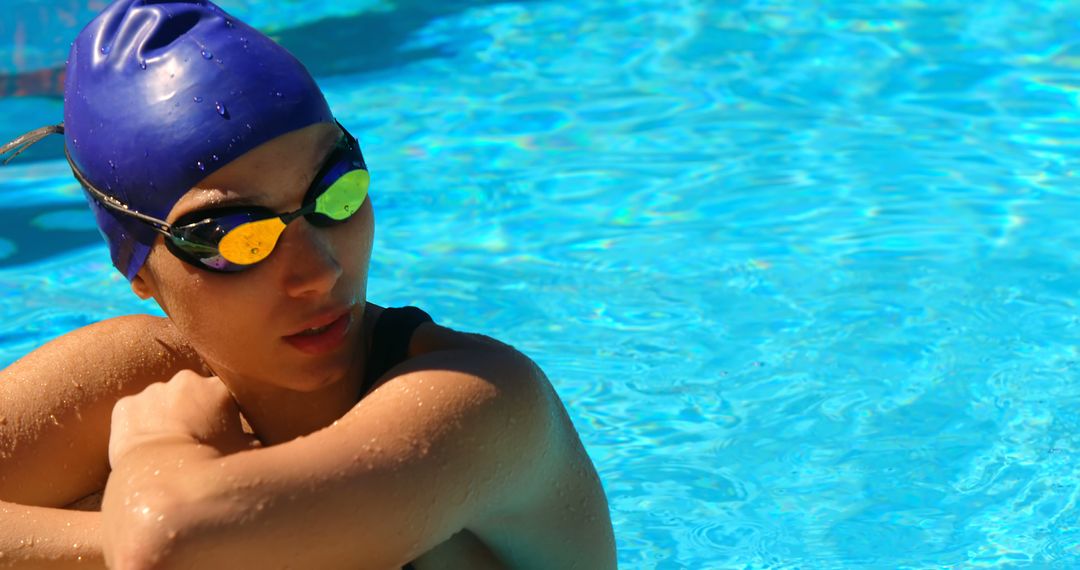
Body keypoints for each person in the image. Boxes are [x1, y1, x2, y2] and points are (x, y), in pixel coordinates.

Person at [0, 1, 617, 568]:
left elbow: (167, 539)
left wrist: (157, 450)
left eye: (335, 193)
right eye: (236, 238)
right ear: (136, 270)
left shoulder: (480, 400)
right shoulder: (138, 373)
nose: (319, 271)